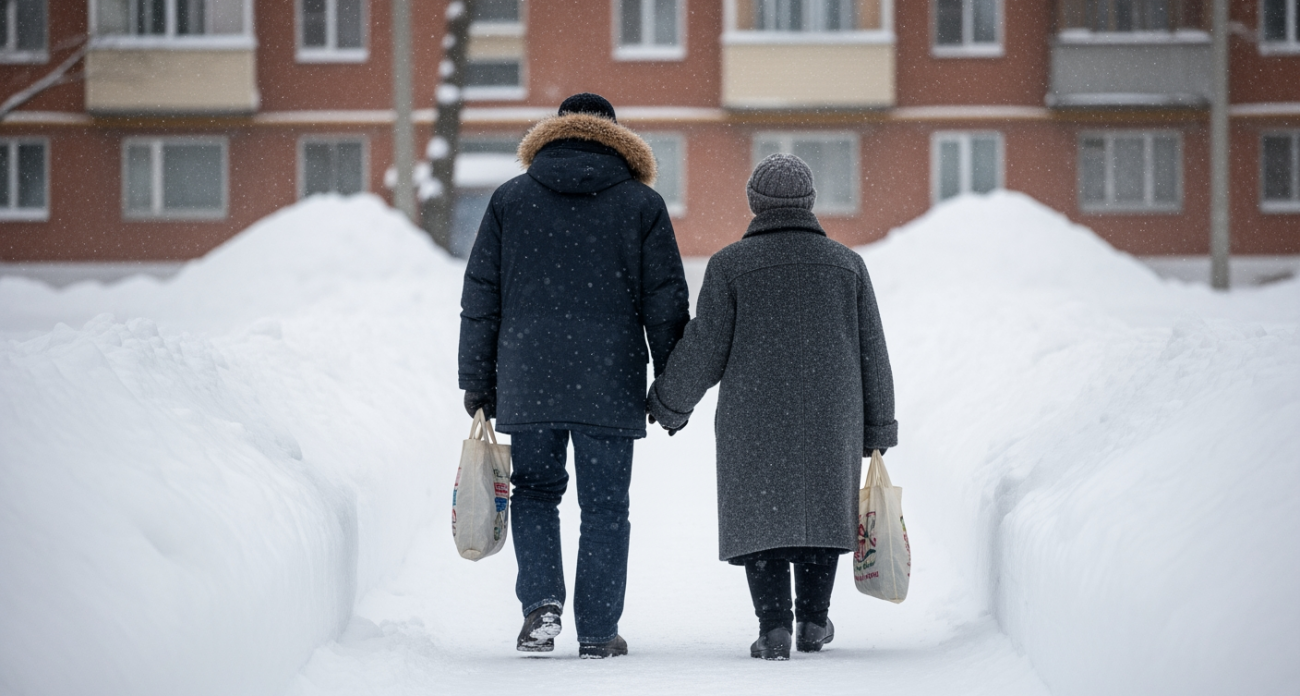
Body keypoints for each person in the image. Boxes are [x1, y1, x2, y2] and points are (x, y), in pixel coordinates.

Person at [458, 93, 690, 659]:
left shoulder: (511, 200)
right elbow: (665, 302)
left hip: (527, 373)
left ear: (553, 133)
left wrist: (477, 381)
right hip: (609, 378)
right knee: (606, 506)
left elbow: (480, 297)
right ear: (616, 136)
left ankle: (541, 604)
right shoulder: (641, 204)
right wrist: (672, 386)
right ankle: (597, 631)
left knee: (535, 492)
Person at [646, 153, 897, 660]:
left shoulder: (731, 265)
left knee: (761, 514)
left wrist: (670, 402)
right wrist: (878, 426)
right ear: (809, 203)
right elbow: (873, 348)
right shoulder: (847, 265)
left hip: (754, 415)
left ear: (755, 204)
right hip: (832, 415)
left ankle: (774, 627)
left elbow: (706, 346)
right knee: (824, 514)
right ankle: (813, 620)